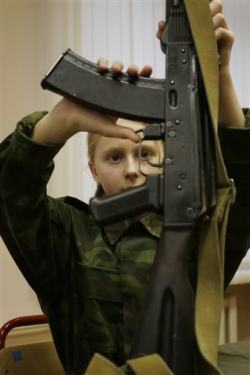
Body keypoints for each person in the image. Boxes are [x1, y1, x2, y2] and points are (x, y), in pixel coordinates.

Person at [0, 0, 249, 374]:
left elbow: (243, 188)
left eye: (147, 154)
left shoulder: (199, 229)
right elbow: (9, 190)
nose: (133, 170)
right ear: (92, 168)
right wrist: (63, 119)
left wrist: (219, 75)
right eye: (114, 157)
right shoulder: (66, 236)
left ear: (172, 162)